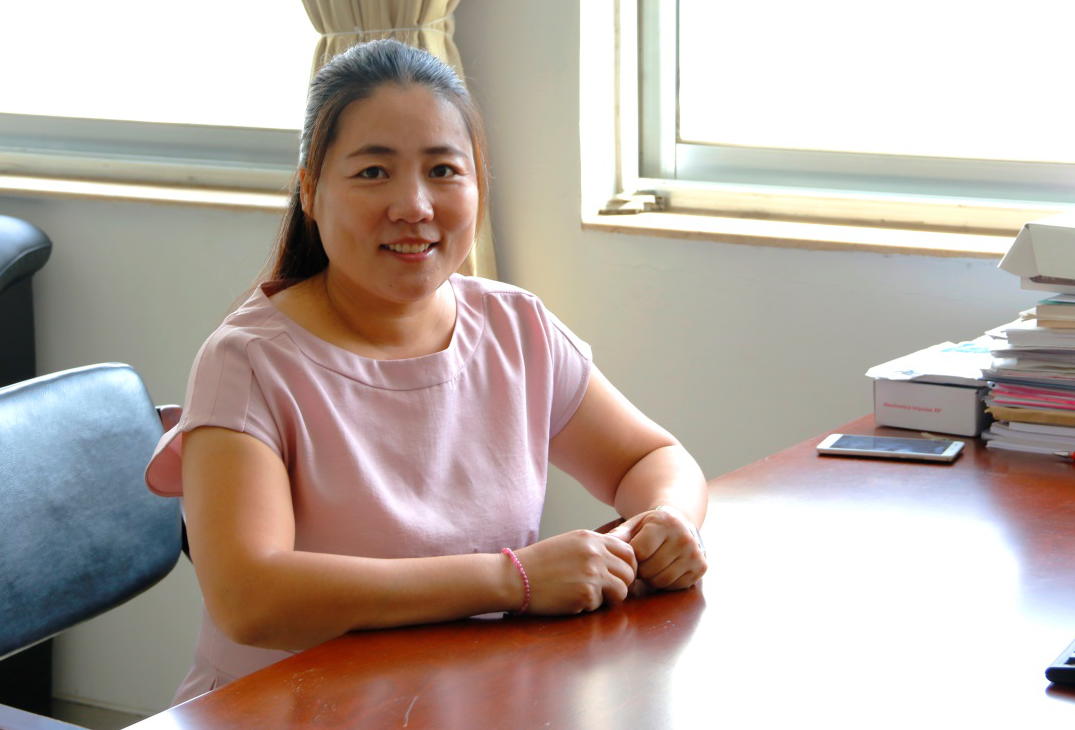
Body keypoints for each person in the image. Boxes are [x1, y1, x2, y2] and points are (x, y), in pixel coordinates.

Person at [145, 39, 708, 704]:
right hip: (290, 710)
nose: (413, 205)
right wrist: (515, 580)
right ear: (310, 191)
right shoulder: (247, 361)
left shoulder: (515, 327)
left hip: (470, 700)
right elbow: (250, 598)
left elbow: (650, 457)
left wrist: (667, 520)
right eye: (373, 172)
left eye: (443, 170)